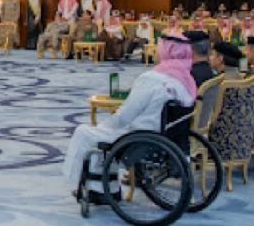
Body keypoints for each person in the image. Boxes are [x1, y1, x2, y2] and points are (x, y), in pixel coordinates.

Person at [62, 36, 196, 192]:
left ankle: (86, 186)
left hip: (140, 137)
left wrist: (106, 125)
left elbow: (126, 114)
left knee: (84, 132)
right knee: (99, 134)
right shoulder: (185, 81)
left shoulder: (152, 79)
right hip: (168, 137)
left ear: (166, 52)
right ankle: (102, 186)